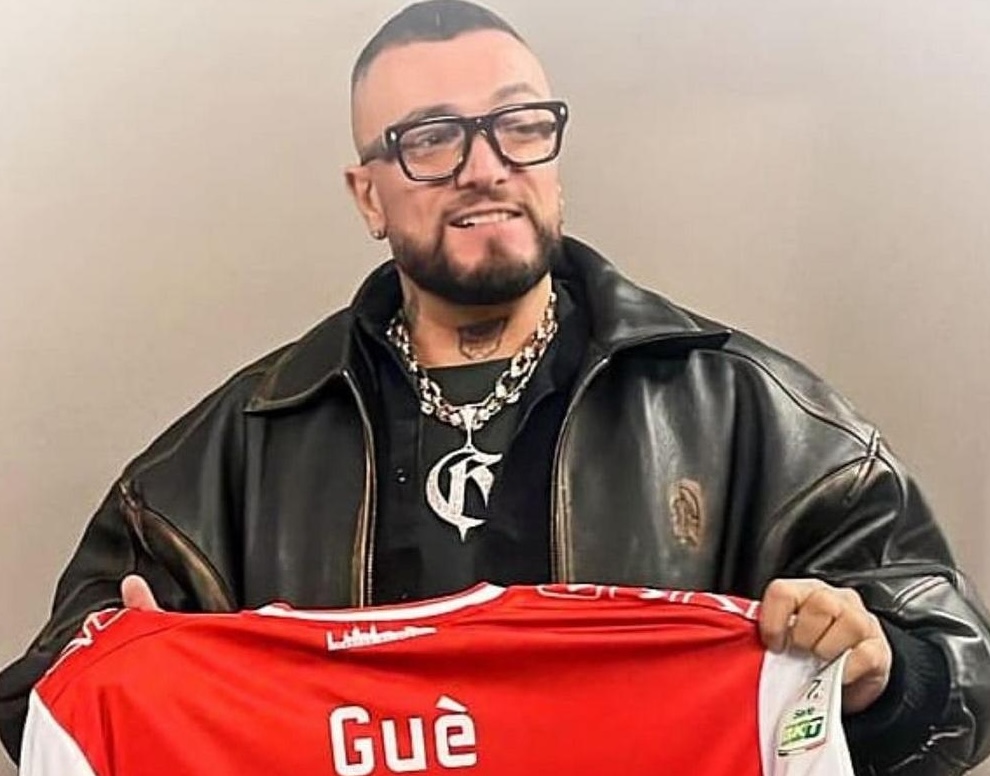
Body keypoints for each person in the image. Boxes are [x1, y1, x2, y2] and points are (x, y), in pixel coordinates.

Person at [1, 1, 987, 773]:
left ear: (554, 157)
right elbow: (50, 699)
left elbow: (964, 678)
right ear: (368, 195)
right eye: (430, 138)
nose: (485, 168)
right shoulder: (245, 440)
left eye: (519, 125)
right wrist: (127, 661)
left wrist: (883, 675)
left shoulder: (743, 414)